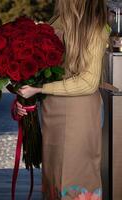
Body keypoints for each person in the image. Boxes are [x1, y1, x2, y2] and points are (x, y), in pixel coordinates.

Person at [16, 0, 109, 199]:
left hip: (80, 112)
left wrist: (39, 88)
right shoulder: (55, 21)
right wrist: (24, 97)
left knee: (78, 178)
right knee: (54, 176)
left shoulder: (95, 27)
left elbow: (88, 83)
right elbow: (40, 71)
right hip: (51, 110)